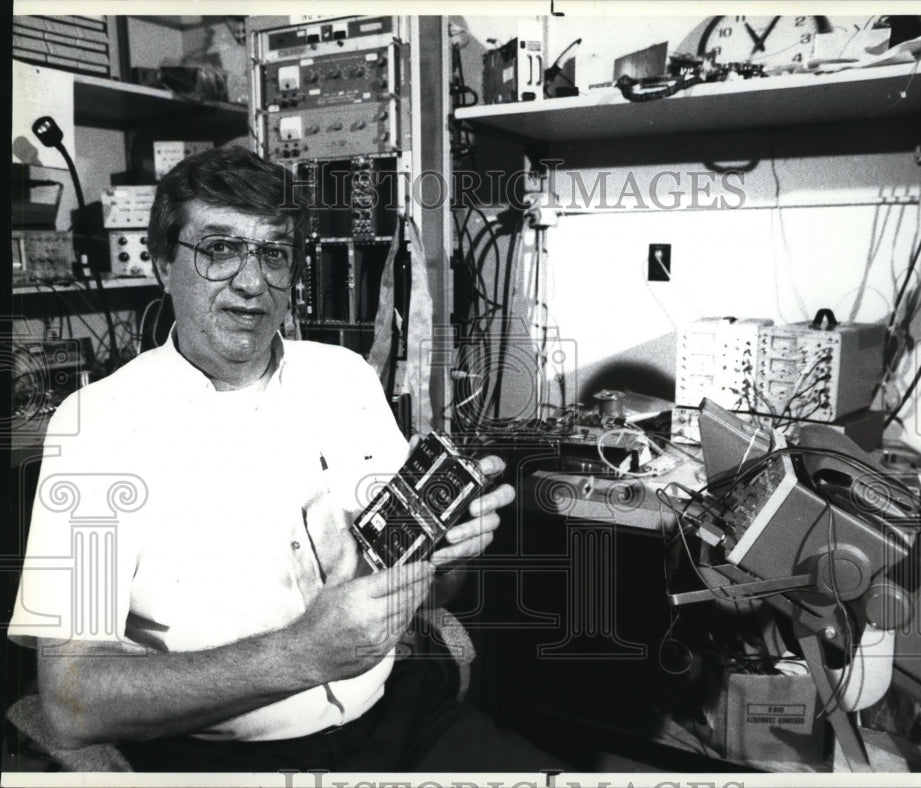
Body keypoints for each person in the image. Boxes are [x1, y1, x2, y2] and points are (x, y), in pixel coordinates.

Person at [8, 146, 559, 773]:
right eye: (218, 248)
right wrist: (301, 654)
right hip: (232, 760)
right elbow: (70, 700)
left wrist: (446, 547)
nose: (251, 281)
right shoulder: (96, 424)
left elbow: (434, 592)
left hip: (397, 715)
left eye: (273, 253)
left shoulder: (346, 377)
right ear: (163, 262)